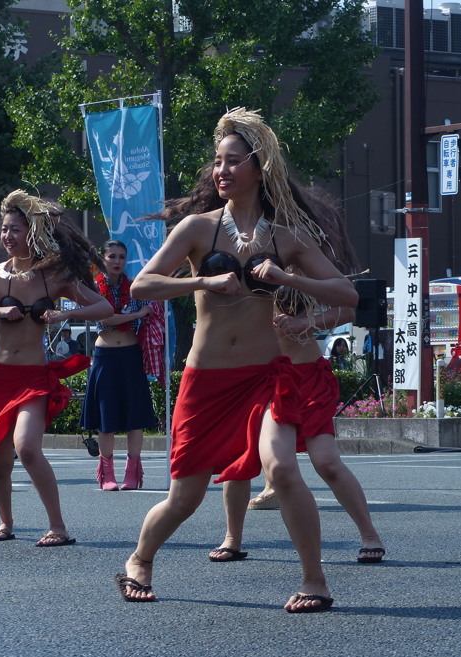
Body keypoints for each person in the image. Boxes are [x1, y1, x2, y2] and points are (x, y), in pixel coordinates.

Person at [114, 107, 358, 612]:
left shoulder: (283, 238)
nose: (220, 171)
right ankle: (139, 559)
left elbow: (345, 292)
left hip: (266, 378)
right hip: (205, 383)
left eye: (232, 161)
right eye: (217, 163)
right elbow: (142, 285)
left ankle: (316, 581)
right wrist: (202, 280)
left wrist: (289, 278)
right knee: (185, 497)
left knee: (284, 467)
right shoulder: (196, 230)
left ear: (258, 168)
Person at [0, 189, 111, 544]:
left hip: (33, 376)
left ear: (31, 233)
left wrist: (66, 312)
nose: (7, 236)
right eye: (4, 229)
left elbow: (104, 309)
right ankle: (6, 523)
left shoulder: (55, 276)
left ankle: (58, 527)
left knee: (28, 446)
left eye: (15, 229)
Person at [210, 292, 385, 564]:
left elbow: (348, 309)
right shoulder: (241, 269)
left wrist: (308, 322)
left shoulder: (300, 264)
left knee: (326, 461)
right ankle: (232, 538)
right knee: (239, 459)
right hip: (257, 380)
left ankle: (369, 535)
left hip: (307, 378)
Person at [80, 238, 158, 491]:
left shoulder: (135, 287)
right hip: (105, 357)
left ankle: (133, 472)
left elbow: (153, 309)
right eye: (111, 256)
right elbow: (106, 319)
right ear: (103, 259)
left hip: (131, 354)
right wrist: (137, 314)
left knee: (134, 416)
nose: (116, 261)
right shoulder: (93, 288)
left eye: (121, 257)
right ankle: (107, 472)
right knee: (107, 417)